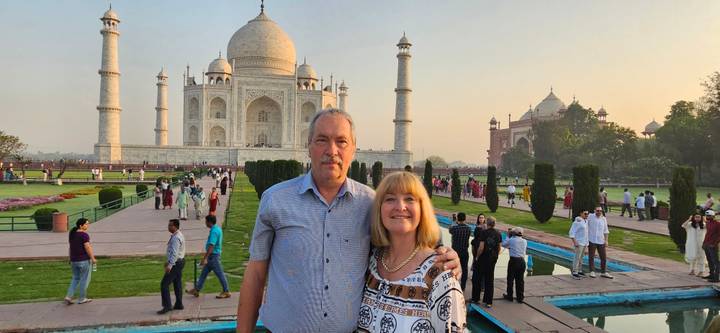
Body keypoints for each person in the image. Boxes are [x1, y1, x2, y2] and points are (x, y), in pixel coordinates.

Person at [236, 109, 460, 332]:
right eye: (322, 140)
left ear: (353, 149)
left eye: (341, 141)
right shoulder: (276, 200)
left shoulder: (370, 203)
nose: (331, 150)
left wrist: (443, 254)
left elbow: (404, 242)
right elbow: (256, 273)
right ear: (309, 146)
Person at [357, 171, 466, 331]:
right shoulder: (372, 262)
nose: (400, 206)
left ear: (422, 209)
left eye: (409, 199)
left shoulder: (439, 274)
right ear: (379, 210)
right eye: (390, 199)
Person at [186, 215, 231, 298]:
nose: (205, 223)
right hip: (212, 256)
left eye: (206, 221)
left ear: (209, 222)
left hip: (213, 257)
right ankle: (197, 289)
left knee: (220, 274)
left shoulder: (214, 231)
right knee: (203, 274)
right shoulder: (217, 229)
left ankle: (226, 291)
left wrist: (205, 258)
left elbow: (211, 246)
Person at [64, 218, 96, 305]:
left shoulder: (72, 234)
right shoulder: (84, 235)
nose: (88, 225)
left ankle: (68, 296)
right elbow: (87, 247)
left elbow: (71, 248)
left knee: (75, 278)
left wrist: (70, 258)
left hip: (74, 261)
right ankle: (82, 298)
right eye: (86, 224)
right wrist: (93, 258)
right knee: (83, 280)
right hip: (83, 260)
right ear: (81, 225)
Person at [473, 216, 502, 307]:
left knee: (478, 279)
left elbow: (481, 247)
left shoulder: (484, 233)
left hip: (483, 259)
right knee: (489, 280)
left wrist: (477, 257)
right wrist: (496, 255)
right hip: (492, 259)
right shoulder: (498, 234)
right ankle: (488, 302)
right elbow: (499, 248)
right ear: (494, 224)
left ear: (487, 223)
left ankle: (476, 299)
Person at [158, 219, 185, 314]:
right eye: (168, 225)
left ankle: (167, 306)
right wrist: (168, 261)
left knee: (164, 284)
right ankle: (179, 303)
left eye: (170, 225)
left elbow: (174, 253)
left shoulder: (176, 238)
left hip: (176, 264)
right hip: (179, 262)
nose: (168, 227)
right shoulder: (178, 235)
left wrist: (170, 265)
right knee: (177, 283)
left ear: (175, 226)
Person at [502, 227, 527, 303]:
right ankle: (520, 297)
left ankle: (510, 296)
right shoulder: (525, 241)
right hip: (522, 261)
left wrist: (507, 236)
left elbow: (503, 244)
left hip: (513, 261)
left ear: (514, 233)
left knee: (510, 279)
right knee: (520, 280)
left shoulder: (511, 240)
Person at [588, 207, 613, 279]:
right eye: (597, 210)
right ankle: (592, 271)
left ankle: (603, 272)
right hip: (592, 240)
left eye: (600, 211)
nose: (599, 212)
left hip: (601, 240)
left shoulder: (603, 219)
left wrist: (606, 240)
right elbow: (584, 220)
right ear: (594, 210)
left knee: (603, 257)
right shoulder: (590, 216)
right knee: (591, 256)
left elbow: (606, 231)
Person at [449, 212, 472, 290]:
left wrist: (454, 221)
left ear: (458, 218)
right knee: (464, 269)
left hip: (455, 252)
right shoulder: (468, 228)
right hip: (464, 251)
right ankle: (463, 286)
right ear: (465, 219)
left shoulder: (454, 228)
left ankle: (453, 284)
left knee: (453, 269)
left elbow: (450, 229)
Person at [569, 211, 589, 279]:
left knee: (581, 257)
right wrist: (575, 242)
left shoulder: (585, 221)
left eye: (587, 214)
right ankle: (575, 272)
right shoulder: (577, 221)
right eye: (585, 214)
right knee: (577, 257)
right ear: (581, 214)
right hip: (579, 242)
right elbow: (572, 232)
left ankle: (579, 270)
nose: (587, 215)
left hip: (584, 242)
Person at [702, 210, 720, 282]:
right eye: (706, 216)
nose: (707, 217)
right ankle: (711, 275)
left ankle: (716, 278)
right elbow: (707, 234)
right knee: (709, 260)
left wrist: (715, 243)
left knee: (715, 261)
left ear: (713, 216)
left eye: (709, 216)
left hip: (713, 246)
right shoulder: (708, 223)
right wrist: (704, 243)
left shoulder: (718, 224)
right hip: (706, 245)